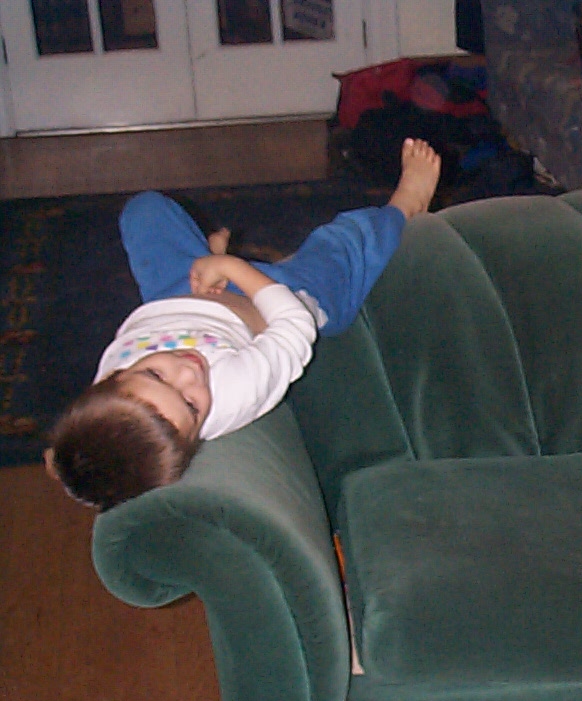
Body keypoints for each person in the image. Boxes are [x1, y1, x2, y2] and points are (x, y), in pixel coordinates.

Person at [45, 138, 441, 511]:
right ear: (196, 438)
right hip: (278, 301)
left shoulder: (105, 404)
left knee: (144, 211)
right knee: (341, 246)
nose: (188, 372)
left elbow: (73, 448)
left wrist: (62, 460)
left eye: (156, 374)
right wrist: (232, 267)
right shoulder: (233, 392)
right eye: (191, 405)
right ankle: (405, 207)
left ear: (112, 380)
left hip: (177, 294)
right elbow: (294, 326)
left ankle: (203, 258)